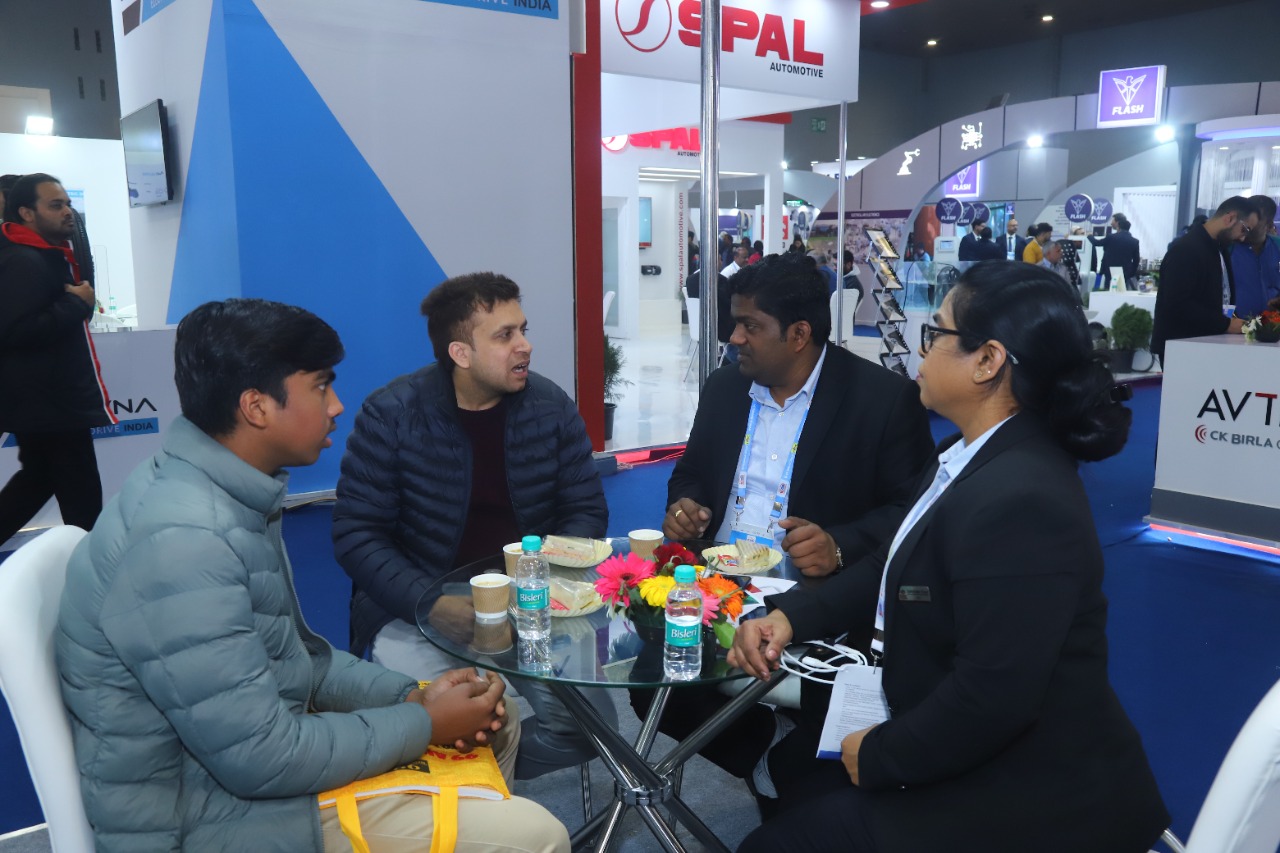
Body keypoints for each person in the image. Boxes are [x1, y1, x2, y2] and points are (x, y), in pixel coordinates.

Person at [57, 298, 570, 853]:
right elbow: (261, 758)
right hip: (209, 816)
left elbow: (301, 665)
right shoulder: (186, 541)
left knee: (494, 721)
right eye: (320, 387)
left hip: (244, 775)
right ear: (257, 407)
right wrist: (424, 722)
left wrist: (413, 697)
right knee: (536, 836)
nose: (336, 405)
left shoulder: (225, 493)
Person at [731, 262, 1170, 853]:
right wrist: (791, 617)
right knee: (797, 783)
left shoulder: (1022, 499)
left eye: (936, 333)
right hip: (968, 743)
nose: (923, 348)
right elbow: (890, 566)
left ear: (988, 361)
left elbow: (993, 698)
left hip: (1031, 794)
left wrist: (880, 754)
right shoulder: (969, 455)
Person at [633, 250, 934, 791]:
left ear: (798, 334)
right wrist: (686, 507)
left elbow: (913, 516)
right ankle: (765, 753)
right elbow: (691, 473)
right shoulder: (724, 388)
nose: (734, 338)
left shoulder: (882, 400)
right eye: (735, 323)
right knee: (648, 679)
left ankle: (789, 767)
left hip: (814, 598)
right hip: (714, 585)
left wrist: (839, 545)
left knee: (816, 754)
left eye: (750, 326)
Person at [332, 272, 614, 780]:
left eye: (523, 330)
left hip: (529, 602)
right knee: (430, 734)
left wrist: (538, 586)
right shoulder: (392, 414)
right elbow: (357, 534)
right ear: (461, 353)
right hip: (419, 608)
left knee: (594, 732)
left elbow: (585, 512)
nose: (525, 346)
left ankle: (482, 773)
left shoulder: (551, 407)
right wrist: (428, 603)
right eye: (505, 335)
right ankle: (467, 778)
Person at [0, 172, 113, 546]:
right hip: (51, 403)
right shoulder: (23, 261)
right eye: (55, 205)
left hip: (48, 401)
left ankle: (92, 563)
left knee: (41, 480)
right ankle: (95, 569)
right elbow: (15, 331)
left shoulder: (38, 256)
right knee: (81, 495)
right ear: (26, 213)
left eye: (67, 203)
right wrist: (75, 303)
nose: (68, 212)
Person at [1152, 195, 1259, 359]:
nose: (1243, 237)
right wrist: (1225, 324)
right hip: (1181, 346)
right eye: (1245, 229)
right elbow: (1176, 303)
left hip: (1206, 342)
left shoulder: (1220, 248)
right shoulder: (1186, 249)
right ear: (1230, 218)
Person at [1228, 195, 1280, 317]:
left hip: (1272, 324)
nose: (1246, 224)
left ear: (1269, 225)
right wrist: (1227, 320)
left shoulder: (1277, 246)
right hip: (1233, 324)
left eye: (1255, 220)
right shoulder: (1227, 247)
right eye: (1245, 217)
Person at [1088, 213, 1141, 291]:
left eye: (1112, 220)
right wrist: (1131, 272)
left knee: (1108, 292)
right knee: (1122, 292)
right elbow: (1136, 259)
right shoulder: (1134, 241)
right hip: (1125, 272)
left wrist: (1089, 236)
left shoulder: (1111, 237)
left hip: (1109, 271)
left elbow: (1097, 243)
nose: (1111, 223)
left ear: (1118, 225)